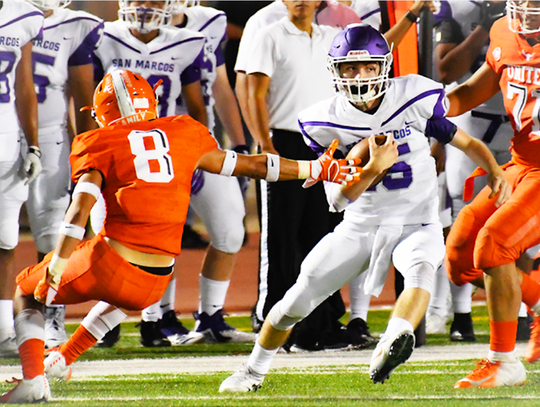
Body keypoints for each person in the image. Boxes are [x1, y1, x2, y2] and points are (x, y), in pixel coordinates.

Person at [0, 69, 362, 403]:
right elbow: (254, 165)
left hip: (113, 262)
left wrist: (58, 264)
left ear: (101, 114)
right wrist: (316, 167)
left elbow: (80, 208)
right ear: (151, 103)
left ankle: (33, 381)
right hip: (156, 281)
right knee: (121, 299)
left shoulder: (97, 141)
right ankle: (63, 357)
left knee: (26, 291)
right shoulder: (183, 132)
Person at [219, 23, 508, 392]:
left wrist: (495, 170)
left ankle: (395, 337)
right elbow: (336, 201)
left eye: (369, 67)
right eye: (350, 68)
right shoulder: (322, 121)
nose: (360, 76)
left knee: (420, 271)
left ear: (384, 66)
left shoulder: (413, 96)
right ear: (335, 72)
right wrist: (372, 169)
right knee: (296, 299)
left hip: (417, 222)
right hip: (360, 225)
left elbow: (464, 140)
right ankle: (253, 371)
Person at [237, 0, 436, 351]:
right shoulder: (267, 32)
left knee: (322, 230)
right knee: (282, 235)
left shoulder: (333, 35)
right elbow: (253, 91)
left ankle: (321, 325)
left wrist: (411, 15)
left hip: (333, 142)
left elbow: (378, 48)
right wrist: (264, 141)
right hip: (285, 138)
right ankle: (270, 317)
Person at [90, 0, 209, 347]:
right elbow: (83, 93)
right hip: (114, 148)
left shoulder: (185, 41)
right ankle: (108, 315)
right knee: (108, 236)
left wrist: (198, 152)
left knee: (161, 235)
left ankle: (156, 319)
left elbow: (197, 104)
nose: (144, 6)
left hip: (161, 151)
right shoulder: (100, 35)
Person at [444, 0, 540, 388]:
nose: (529, 10)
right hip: (520, 165)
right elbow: (475, 88)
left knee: (494, 244)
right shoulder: (502, 30)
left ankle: (503, 361)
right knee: (461, 252)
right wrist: (426, 107)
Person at [426, 0, 516, 342]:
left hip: (519, 123)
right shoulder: (455, 8)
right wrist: (485, 28)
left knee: (517, 222)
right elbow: (448, 72)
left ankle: (522, 311)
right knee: (464, 222)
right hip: (471, 123)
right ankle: (461, 315)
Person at [168, 0, 256, 343]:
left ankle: (210, 317)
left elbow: (219, 84)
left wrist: (237, 142)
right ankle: (155, 317)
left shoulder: (211, 21)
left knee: (231, 230)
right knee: (158, 234)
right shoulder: (121, 33)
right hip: (151, 145)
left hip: (201, 141)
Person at [27, 0, 104, 351]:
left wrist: (87, 151)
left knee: (50, 233)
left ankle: (52, 317)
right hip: (5, 131)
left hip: (50, 135)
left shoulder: (76, 26)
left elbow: (83, 95)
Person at [0, 0, 44, 358]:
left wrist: (34, 146)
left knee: (5, 241)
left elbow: (25, 87)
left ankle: (1, 330)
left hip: (7, 145)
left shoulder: (24, 16)